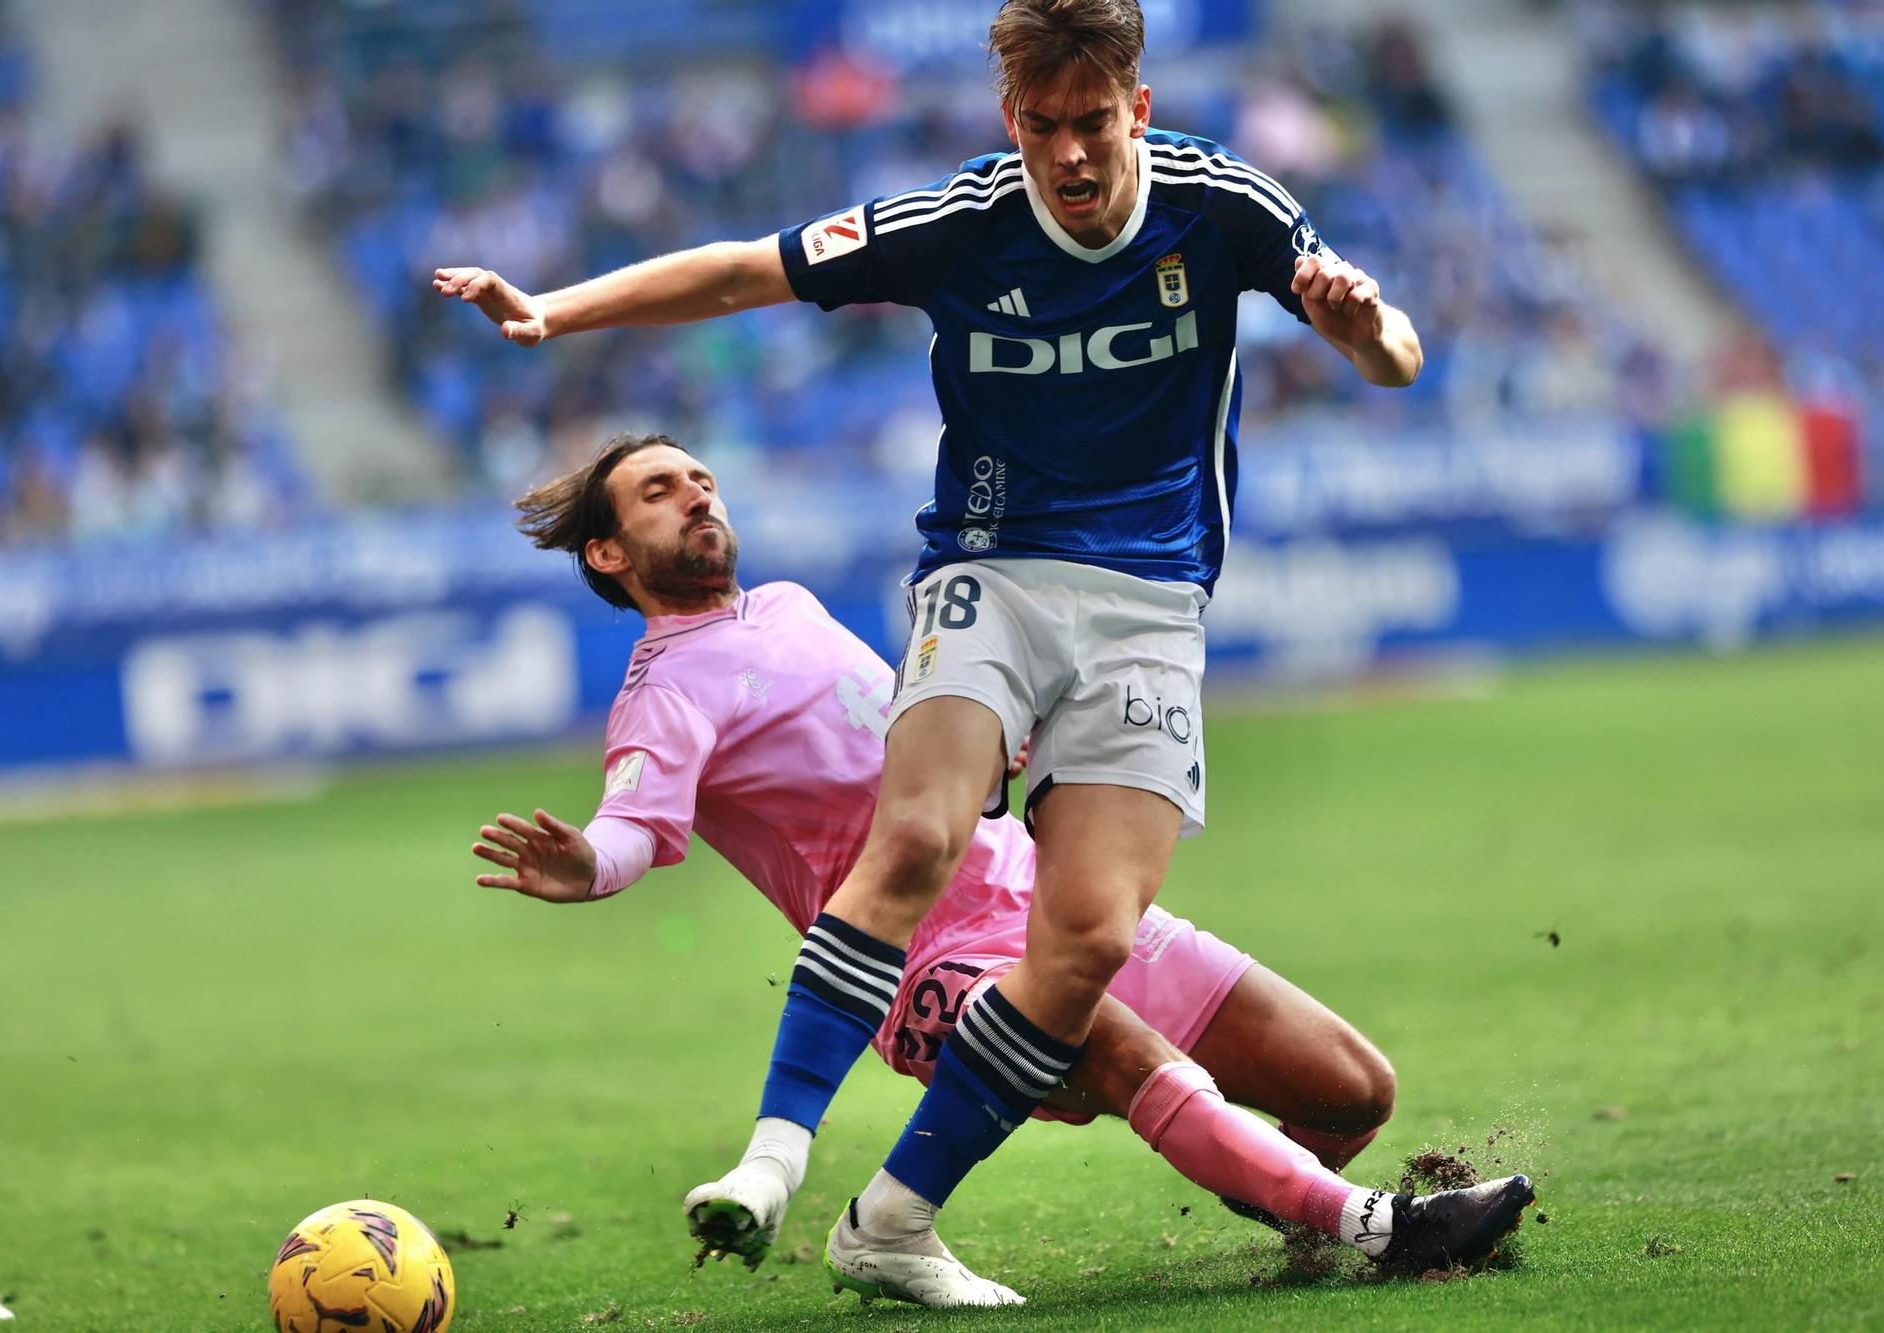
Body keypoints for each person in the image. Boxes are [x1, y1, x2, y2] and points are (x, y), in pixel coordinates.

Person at [435, 0, 1459, 1301]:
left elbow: (1399, 359)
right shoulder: (955, 223)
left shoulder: (1228, 206)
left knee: (1237, 1027)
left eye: (1094, 123)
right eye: (1044, 129)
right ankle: (787, 1162)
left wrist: (1363, 325)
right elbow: (749, 268)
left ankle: (928, 1197)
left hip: (1152, 605)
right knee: (911, 840)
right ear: (1009, 122)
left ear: (1138, 108)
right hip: (993, 570)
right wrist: (555, 314)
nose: (1072, 157)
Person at [467, 433, 1536, 1306]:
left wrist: (986, 752)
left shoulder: (784, 607)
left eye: (702, 481)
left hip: (1036, 881)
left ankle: (1281, 1183)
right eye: (658, 494)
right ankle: (1374, 1225)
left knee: (1351, 1090)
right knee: (1117, 1049)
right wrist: (587, 864)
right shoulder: (662, 688)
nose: (697, 499)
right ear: (609, 553)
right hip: (921, 955)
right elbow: (629, 824)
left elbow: (912, 747)